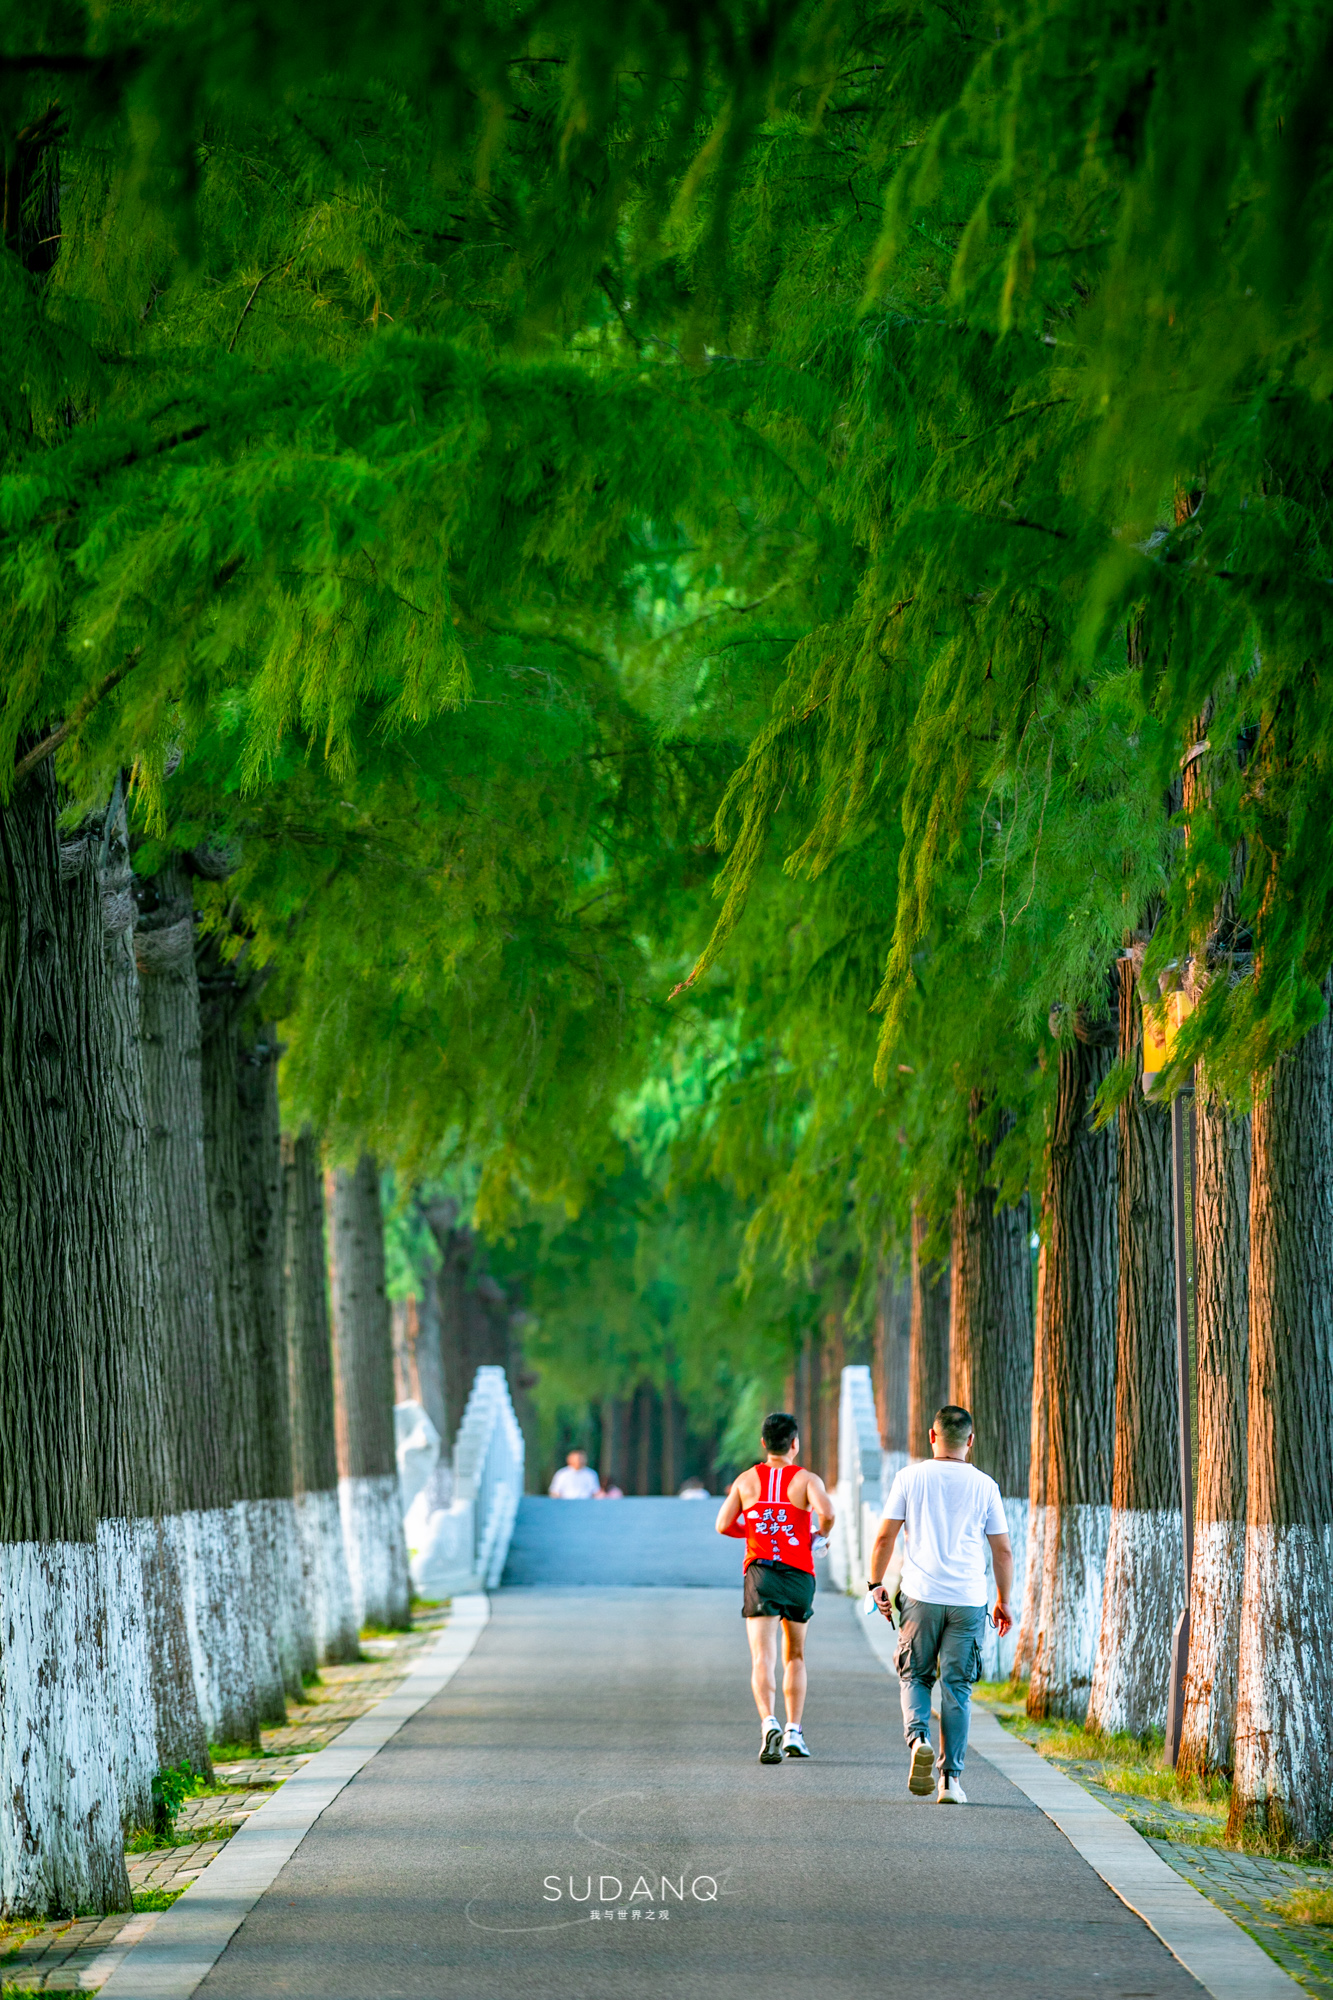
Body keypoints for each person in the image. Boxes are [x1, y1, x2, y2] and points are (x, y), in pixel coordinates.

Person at [867, 1403, 1013, 1806]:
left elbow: (884, 1539)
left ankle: (918, 1741)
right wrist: (1004, 1601)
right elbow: (1002, 1552)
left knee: (915, 1676)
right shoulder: (986, 1485)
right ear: (970, 1440)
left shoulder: (910, 1477)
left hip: (920, 1597)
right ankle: (951, 1782)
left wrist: (875, 1584)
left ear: (932, 1437)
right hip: (968, 1601)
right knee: (957, 1689)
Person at [715, 1412, 835, 1764]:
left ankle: (769, 1723)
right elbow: (827, 1512)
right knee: (795, 1655)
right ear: (794, 1444)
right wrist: (817, 1535)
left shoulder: (746, 1480)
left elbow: (723, 1524)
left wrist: (753, 1532)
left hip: (760, 1575)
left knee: (762, 1657)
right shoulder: (806, 1480)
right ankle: (794, 1731)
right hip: (799, 1574)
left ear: (764, 1443)